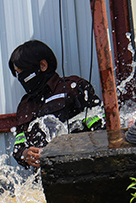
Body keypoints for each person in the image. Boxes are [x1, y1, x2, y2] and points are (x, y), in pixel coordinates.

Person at [8, 40, 104, 168]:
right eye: (17, 73)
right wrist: (25, 154)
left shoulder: (73, 88)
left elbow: (101, 130)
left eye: (23, 72)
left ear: (43, 65)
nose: (21, 78)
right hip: (43, 180)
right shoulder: (25, 105)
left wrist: (64, 149)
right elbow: (18, 146)